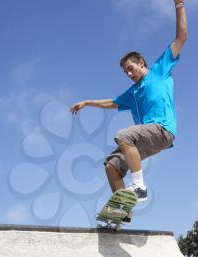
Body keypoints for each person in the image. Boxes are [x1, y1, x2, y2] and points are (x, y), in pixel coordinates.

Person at [70, 0, 187, 220]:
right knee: (111, 165)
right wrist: (87, 102)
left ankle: (139, 187)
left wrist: (179, 5)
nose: (129, 74)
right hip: (146, 140)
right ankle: (124, 211)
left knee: (123, 135)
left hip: (163, 131)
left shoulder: (159, 70)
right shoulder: (132, 93)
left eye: (131, 69)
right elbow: (112, 102)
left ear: (141, 63)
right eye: (125, 72)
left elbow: (181, 37)